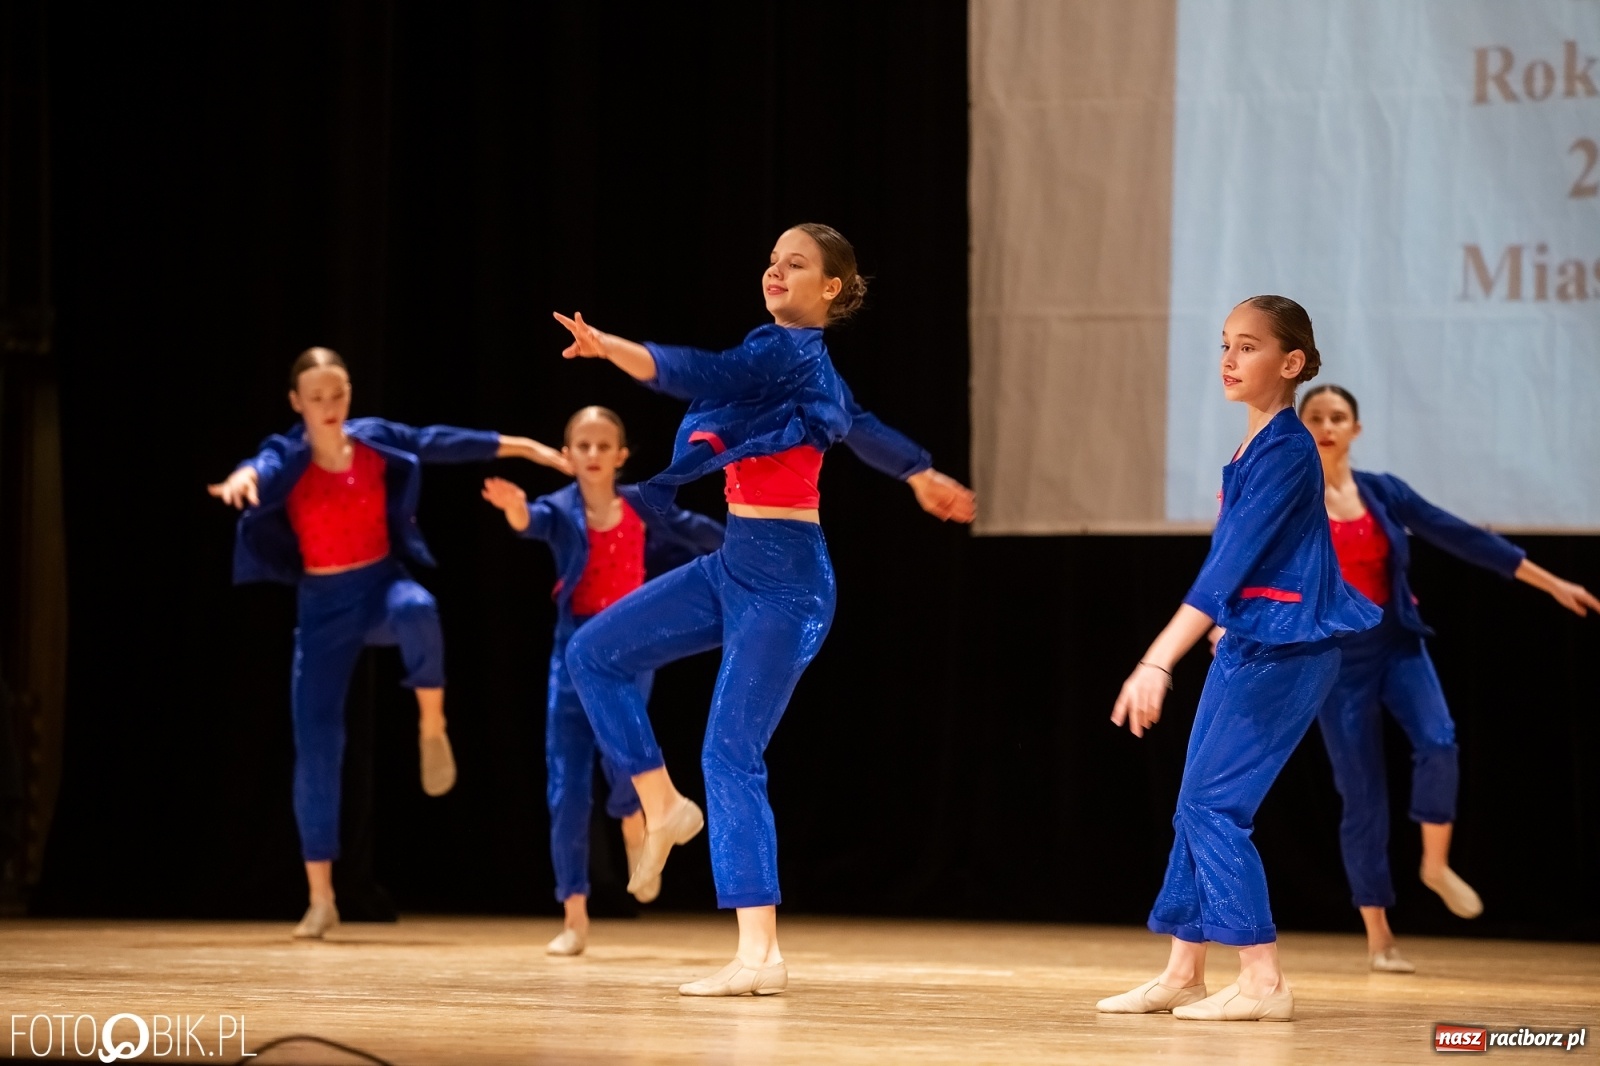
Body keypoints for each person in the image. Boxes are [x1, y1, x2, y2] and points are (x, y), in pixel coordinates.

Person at [553, 223, 976, 996]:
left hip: (788, 586)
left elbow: (703, 370)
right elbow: (863, 425)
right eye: (773, 260)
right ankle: (659, 801)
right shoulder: (796, 360)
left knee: (729, 752)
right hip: (734, 566)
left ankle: (760, 956)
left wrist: (613, 347)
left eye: (798, 264)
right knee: (593, 654)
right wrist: (918, 473)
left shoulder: (787, 353)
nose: (777, 271)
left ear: (832, 289)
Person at [208, 346, 557, 939]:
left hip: (380, 584)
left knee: (419, 608)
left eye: (337, 394)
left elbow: (439, 441)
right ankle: (321, 897)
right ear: (296, 402)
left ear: (349, 394)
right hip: (321, 608)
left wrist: (518, 446)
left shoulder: (373, 440)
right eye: (315, 397)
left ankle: (431, 726)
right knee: (318, 748)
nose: (328, 407)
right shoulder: (286, 453)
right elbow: (261, 466)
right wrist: (244, 475)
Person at [1096, 296, 1379, 1022]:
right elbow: (1247, 564)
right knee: (1196, 806)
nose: (1228, 358)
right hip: (1254, 642)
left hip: (1289, 651)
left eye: (1247, 346)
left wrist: (1158, 659)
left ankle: (1263, 982)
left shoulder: (1288, 448)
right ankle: (1184, 972)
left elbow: (1228, 566)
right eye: (1224, 344)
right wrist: (1232, 621)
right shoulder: (1252, 447)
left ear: (1290, 364)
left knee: (1215, 807)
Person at [1297, 384, 1599, 972]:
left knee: (1439, 741)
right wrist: (1228, 623)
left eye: (1338, 417)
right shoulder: (1294, 500)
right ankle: (1380, 937)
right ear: (1301, 428)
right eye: (1315, 417)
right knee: (1362, 799)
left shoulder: (1383, 492)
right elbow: (1252, 563)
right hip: (1335, 662)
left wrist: (1551, 582)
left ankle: (1434, 866)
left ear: (1356, 429)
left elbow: (1462, 535)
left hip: (1396, 644)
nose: (1327, 426)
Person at [481, 405, 723, 956]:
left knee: (624, 766)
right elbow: (532, 522)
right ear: (567, 456)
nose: (592, 455)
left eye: (602, 445)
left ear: (621, 455)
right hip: (571, 655)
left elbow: (698, 532)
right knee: (566, 787)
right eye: (582, 446)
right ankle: (574, 914)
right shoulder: (561, 510)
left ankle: (636, 820)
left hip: (631, 654)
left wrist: (748, 551)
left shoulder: (641, 505)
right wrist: (517, 511)